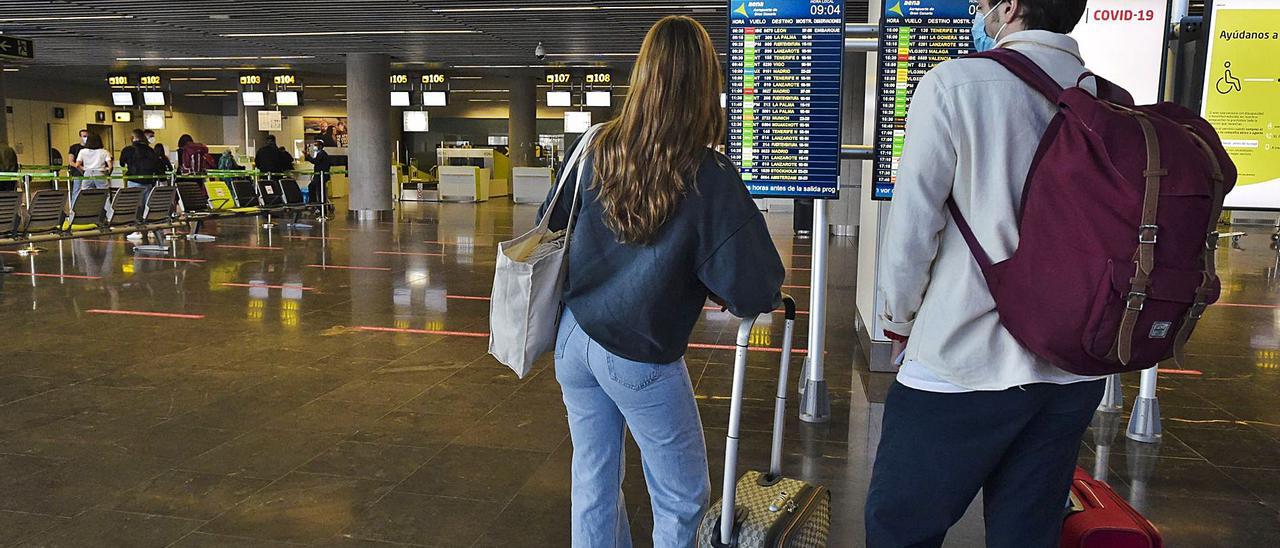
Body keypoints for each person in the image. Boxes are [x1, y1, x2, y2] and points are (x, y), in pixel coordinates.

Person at [865, 1, 1106, 547]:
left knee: (901, 526)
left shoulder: (955, 85)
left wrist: (897, 319)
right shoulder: (1105, 98)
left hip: (962, 359)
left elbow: (912, 228)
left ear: (1011, 7)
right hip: (1071, 370)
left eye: (979, 4)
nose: (977, 13)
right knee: (1027, 533)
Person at [539, 16, 783, 547]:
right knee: (680, 496)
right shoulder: (708, 173)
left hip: (574, 338)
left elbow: (551, 223)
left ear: (643, 76)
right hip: (639, 355)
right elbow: (752, 286)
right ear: (704, 86)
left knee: (593, 478)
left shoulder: (596, 145)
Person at [119, 129, 162, 240]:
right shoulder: (150, 150)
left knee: (135, 206)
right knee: (148, 206)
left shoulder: (128, 150)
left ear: (133, 138)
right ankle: (151, 229)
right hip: (149, 181)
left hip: (134, 180)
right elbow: (157, 164)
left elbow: (121, 162)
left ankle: (137, 230)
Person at [71, 133, 112, 198]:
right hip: (100, 174)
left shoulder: (82, 151)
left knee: (85, 195)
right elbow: (110, 166)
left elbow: (77, 165)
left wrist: (84, 171)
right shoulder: (104, 152)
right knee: (105, 196)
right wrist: (107, 174)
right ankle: (107, 208)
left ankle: (86, 208)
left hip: (87, 174)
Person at [305, 139, 331, 204]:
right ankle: (315, 203)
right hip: (320, 176)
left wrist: (308, 156)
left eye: (316, 145)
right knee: (315, 188)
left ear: (320, 146)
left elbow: (315, 161)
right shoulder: (321, 153)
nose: (315, 147)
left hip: (320, 177)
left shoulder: (321, 154)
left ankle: (317, 204)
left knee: (320, 192)